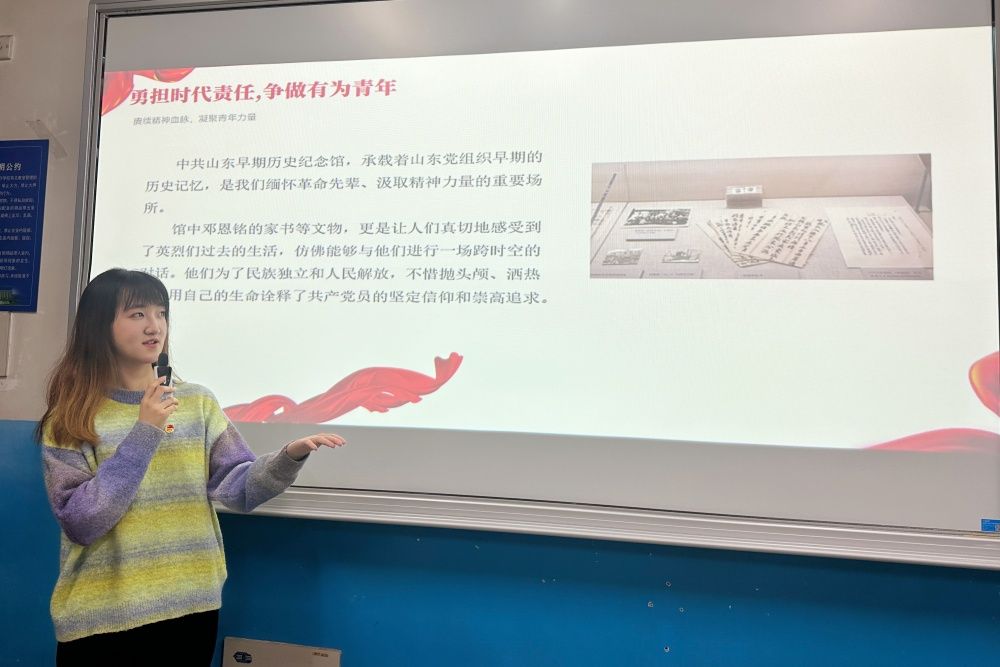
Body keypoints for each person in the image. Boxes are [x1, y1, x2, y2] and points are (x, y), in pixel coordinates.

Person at [36, 268, 345, 665]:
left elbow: (238, 488)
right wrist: (145, 430)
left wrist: (288, 458)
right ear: (100, 325)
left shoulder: (197, 402)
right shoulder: (72, 417)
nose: (154, 326)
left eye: (161, 313)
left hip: (190, 608)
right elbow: (81, 521)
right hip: (103, 616)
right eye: (137, 314)